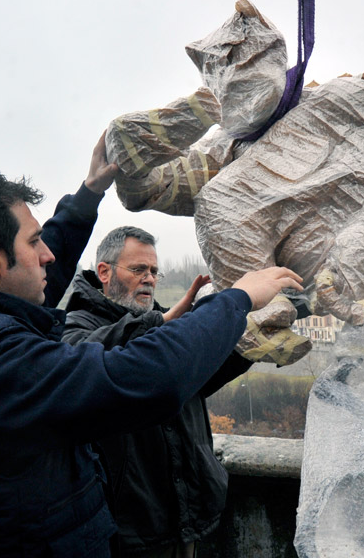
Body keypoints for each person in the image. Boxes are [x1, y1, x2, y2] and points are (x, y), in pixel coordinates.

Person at [0, 133, 303, 557]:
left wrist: (89, 193)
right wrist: (238, 299)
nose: (48, 255)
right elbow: (143, 377)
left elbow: (29, 276)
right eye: (33, 241)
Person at [62, 226, 251, 557]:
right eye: (138, 269)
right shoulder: (77, 326)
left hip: (186, 520)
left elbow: (198, 381)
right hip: (131, 531)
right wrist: (162, 324)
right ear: (104, 272)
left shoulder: (161, 322)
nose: (149, 278)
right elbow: (89, 360)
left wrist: (245, 349)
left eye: (153, 271)